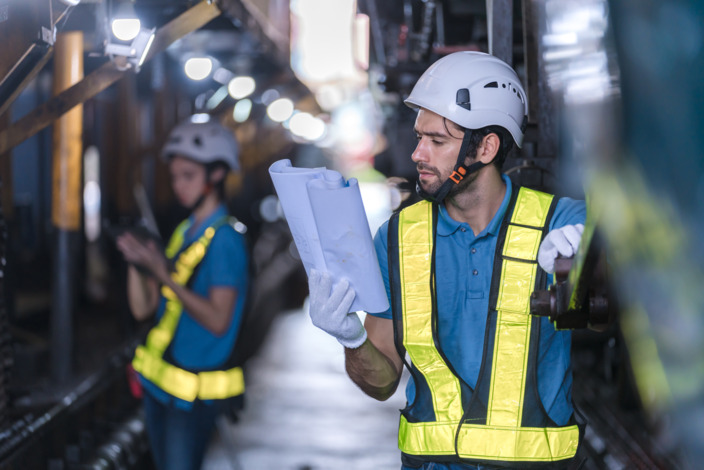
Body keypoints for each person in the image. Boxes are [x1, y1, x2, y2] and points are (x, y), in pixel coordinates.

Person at [307, 51, 587, 469]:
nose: (418, 153)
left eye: (437, 141)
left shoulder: (560, 224)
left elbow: (632, 299)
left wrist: (593, 254)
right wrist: (352, 341)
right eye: (420, 137)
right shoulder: (397, 238)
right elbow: (382, 383)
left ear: (487, 147)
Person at [116, 115, 250, 470]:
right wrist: (137, 263)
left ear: (216, 175)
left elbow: (219, 320)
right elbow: (145, 310)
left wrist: (164, 275)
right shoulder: (186, 230)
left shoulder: (225, 241)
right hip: (160, 387)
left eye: (188, 176)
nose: (178, 186)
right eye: (175, 176)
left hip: (190, 399)